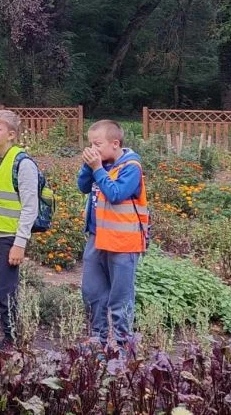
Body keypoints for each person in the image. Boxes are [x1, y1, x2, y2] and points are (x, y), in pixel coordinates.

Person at [79, 120, 148, 350]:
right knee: (92, 292)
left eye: (97, 143)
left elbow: (116, 193)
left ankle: (123, 347)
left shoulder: (131, 167)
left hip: (123, 242)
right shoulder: (101, 163)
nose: (93, 148)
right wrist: (89, 166)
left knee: (120, 298)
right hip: (96, 238)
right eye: (90, 144)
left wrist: (97, 168)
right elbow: (83, 186)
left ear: (115, 143)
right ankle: (97, 340)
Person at [0, 110, 40, 348]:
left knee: (5, 289)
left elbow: (29, 206)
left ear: (11, 135)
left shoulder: (23, 164)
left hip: (9, 237)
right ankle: (10, 329)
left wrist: (20, 243)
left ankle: (11, 339)